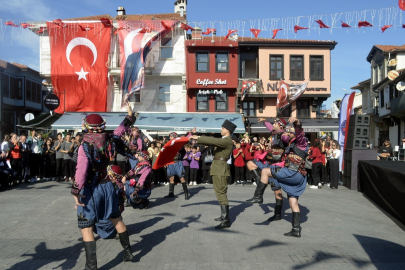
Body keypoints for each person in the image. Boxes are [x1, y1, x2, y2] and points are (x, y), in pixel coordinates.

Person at [71, 101, 135, 269]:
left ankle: (91, 267)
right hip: (108, 186)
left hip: (91, 190)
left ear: (86, 126)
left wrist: (76, 191)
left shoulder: (85, 145)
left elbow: (81, 171)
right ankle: (128, 252)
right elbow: (122, 129)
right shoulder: (111, 139)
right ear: (102, 126)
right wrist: (130, 114)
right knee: (116, 218)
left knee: (86, 227)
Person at [257, 117, 308, 237]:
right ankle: (296, 230)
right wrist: (265, 122)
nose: (287, 134)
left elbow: (298, 132)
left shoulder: (301, 143)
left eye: (289, 133)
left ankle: (258, 196)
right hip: (296, 176)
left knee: (265, 171)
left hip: (293, 174)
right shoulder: (291, 146)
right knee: (292, 202)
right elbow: (275, 131)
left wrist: (296, 122)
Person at [189, 120, 236, 229]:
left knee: (221, 193)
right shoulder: (223, 140)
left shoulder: (228, 141)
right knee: (219, 193)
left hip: (221, 169)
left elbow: (213, 141)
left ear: (228, 130)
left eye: (222, 128)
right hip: (217, 168)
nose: (221, 129)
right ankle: (223, 216)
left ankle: (226, 220)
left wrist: (198, 137)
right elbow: (212, 142)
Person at [245, 117, 289, 223]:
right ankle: (259, 193)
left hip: (277, 166)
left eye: (275, 123)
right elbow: (270, 127)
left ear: (280, 126)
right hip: (267, 163)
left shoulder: (282, 135)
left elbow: (286, 139)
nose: (273, 124)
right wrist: (265, 121)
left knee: (277, 191)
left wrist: (286, 134)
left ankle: (277, 214)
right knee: (250, 163)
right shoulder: (274, 133)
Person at [163, 132, 190, 200]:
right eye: (170, 137)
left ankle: (186, 193)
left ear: (174, 137)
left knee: (182, 178)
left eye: (171, 136)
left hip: (178, 163)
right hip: (170, 163)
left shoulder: (179, 144)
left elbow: (183, 151)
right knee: (171, 178)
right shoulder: (168, 144)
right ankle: (171, 193)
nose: (170, 138)